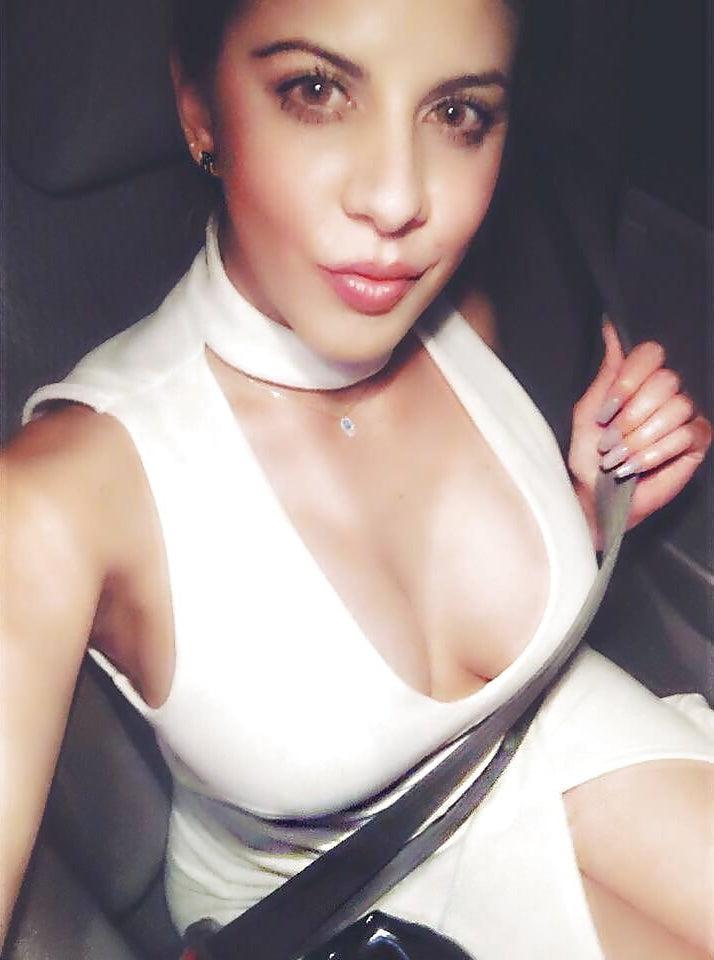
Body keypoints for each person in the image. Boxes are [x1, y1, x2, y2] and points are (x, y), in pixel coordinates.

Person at [2, 1, 713, 957]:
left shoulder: (457, 308)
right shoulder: (59, 499)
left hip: (555, 725)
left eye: (457, 114)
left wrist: (587, 510)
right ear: (200, 108)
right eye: (316, 89)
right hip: (332, 889)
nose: (396, 200)